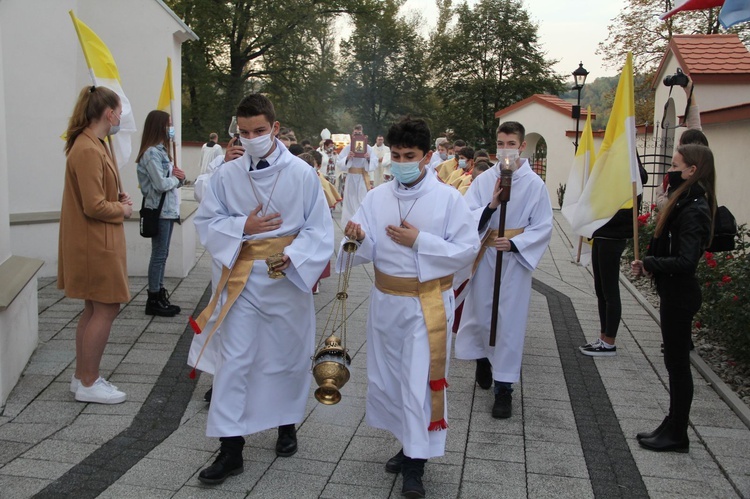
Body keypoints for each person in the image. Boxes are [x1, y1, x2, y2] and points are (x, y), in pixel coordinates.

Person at [192, 93, 333, 485]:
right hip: (241, 280)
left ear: (274, 128)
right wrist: (243, 228)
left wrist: (298, 255)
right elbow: (206, 222)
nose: (251, 138)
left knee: (286, 356)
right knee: (235, 360)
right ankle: (230, 449)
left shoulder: (302, 174)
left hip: (285, 278)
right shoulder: (226, 175)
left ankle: (286, 424)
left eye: (259, 130)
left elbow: (319, 228)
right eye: (244, 131)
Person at [341, 117, 479, 499]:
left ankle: (416, 466)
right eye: (397, 155)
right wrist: (356, 238)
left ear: (428, 157)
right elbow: (366, 250)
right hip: (386, 303)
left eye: (410, 156)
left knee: (419, 381)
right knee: (392, 379)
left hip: (427, 303)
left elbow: (467, 250)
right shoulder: (377, 197)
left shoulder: (448, 198)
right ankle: (406, 445)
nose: (402, 162)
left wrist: (421, 241)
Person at [455, 121, 553, 419]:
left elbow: (543, 225)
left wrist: (516, 244)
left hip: (512, 261)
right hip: (486, 255)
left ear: (522, 146)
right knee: (482, 313)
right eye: (501, 143)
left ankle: (504, 387)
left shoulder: (535, 184)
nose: (505, 149)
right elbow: (466, 215)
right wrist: (492, 206)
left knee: (509, 322)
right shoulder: (485, 180)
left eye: (511, 144)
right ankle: (484, 358)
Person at [631, 144, 715, 453]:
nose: (670, 171)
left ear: (692, 171)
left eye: (676, 166)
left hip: (681, 296)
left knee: (678, 365)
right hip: (673, 293)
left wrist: (651, 263)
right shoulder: (685, 201)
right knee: (673, 362)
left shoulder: (695, 207)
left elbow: (686, 261)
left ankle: (678, 432)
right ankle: (672, 422)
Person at [59, 85, 132, 405]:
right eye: (119, 111)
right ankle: (89, 380)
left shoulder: (94, 144)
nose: (121, 117)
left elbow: (99, 194)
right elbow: (93, 206)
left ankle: (82, 377)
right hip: (95, 243)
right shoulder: (88, 148)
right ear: (109, 113)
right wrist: (123, 209)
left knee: (94, 308)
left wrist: (116, 198)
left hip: (96, 241)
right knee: (105, 307)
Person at [190, 135, 247, 404]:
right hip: (227, 256)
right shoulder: (219, 167)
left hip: (259, 258)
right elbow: (200, 192)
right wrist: (224, 164)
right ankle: (220, 380)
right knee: (224, 319)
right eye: (240, 142)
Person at [579, 160, 648, 356]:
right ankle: (603, 337)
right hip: (601, 234)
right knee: (600, 289)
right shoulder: (615, 172)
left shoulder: (633, 176)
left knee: (610, 290)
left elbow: (624, 205)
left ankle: (609, 341)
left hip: (613, 236)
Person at [136, 110, 186, 317]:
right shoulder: (151, 153)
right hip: (159, 211)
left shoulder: (163, 152)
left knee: (162, 254)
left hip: (168, 210)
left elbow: (172, 180)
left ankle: (159, 292)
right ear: (159, 126)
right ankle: (153, 297)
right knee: (158, 255)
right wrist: (175, 179)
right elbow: (161, 184)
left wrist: (180, 178)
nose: (171, 128)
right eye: (168, 124)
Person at [336, 125, 378, 227]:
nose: (357, 135)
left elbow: (374, 162)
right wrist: (348, 157)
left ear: (362, 135)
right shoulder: (347, 148)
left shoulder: (368, 148)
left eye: (359, 134)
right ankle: (349, 224)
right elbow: (339, 162)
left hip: (362, 178)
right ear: (352, 135)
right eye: (355, 134)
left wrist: (368, 159)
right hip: (351, 177)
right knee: (350, 201)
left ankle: (361, 224)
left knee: (362, 200)